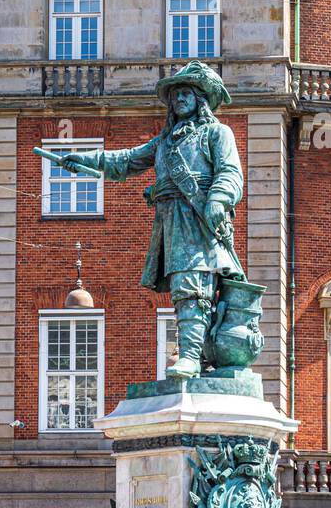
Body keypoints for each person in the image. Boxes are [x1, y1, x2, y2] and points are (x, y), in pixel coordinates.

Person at [56, 60, 243, 379]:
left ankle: (190, 357)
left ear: (200, 99)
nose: (179, 99)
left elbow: (230, 173)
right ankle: (195, 355)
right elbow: (126, 160)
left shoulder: (217, 133)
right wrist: (86, 160)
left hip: (199, 218)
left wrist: (218, 199)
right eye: (175, 94)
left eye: (186, 93)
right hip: (172, 220)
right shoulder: (165, 142)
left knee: (192, 283)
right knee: (185, 285)